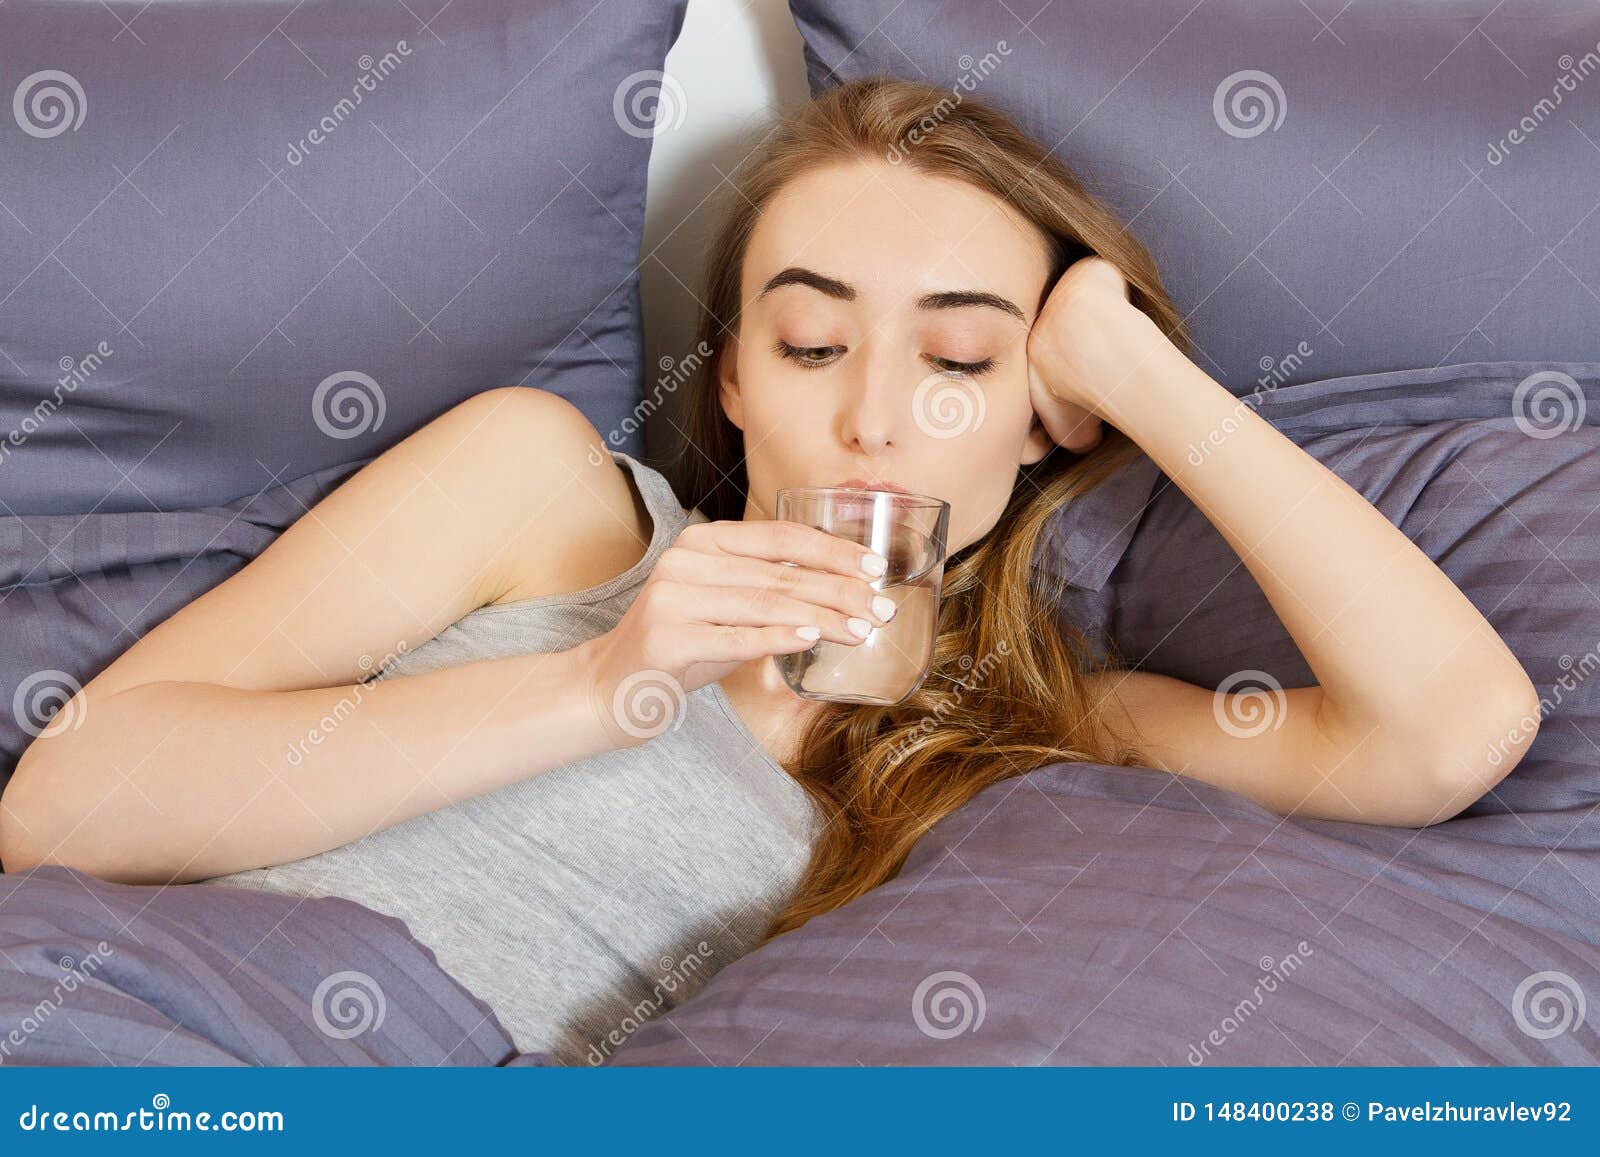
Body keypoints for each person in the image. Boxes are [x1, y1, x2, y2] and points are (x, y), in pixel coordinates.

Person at [0, 77, 1539, 1063]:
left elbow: (1450, 729)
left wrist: (1131, 369)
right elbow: (59, 803)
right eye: (811, 342)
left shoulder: (1041, 737)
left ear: (1039, 421)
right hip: (131, 998)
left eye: (955, 355)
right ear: (733, 380)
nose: (872, 414)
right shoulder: (551, 498)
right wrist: (601, 684)